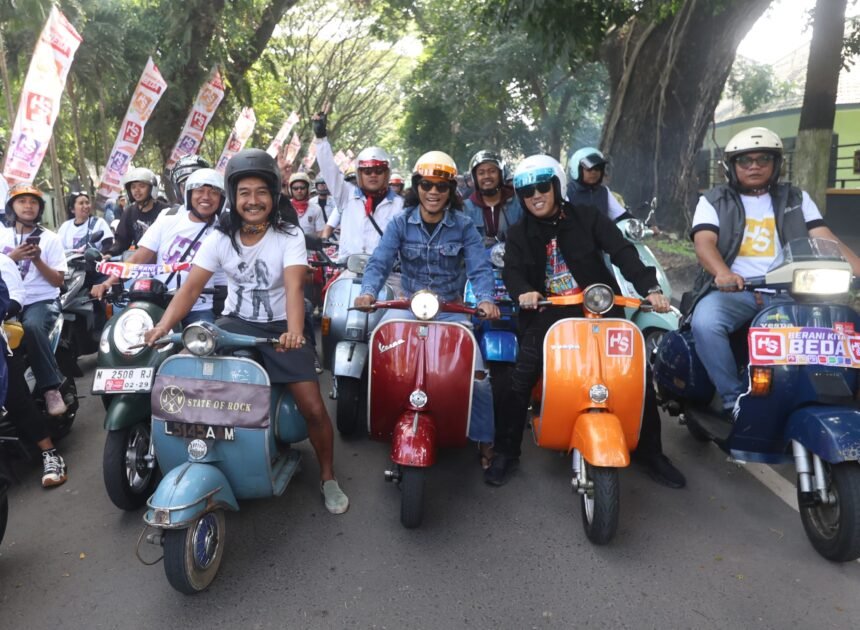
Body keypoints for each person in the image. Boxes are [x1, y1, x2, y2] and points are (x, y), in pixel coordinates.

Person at [143, 149, 349, 514]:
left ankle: (328, 476)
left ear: (273, 195)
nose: (253, 201)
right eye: (244, 193)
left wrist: (295, 332)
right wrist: (163, 326)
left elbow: (294, 288)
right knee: (189, 376)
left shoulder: (288, 235)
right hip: (234, 322)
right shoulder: (220, 237)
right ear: (233, 197)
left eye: (261, 192)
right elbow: (190, 289)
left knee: (314, 407)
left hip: (282, 326)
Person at [484, 155, 685, 488]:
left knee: (636, 373)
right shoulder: (518, 233)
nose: (536, 195)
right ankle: (506, 452)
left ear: (557, 186)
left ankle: (651, 452)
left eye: (542, 187)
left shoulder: (588, 217)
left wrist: (650, 288)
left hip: (601, 308)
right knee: (520, 378)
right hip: (549, 313)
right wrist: (524, 292)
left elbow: (623, 252)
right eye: (527, 191)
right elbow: (512, 271)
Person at [689, 126, 860, 420]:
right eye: (745, 160)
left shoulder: (796, 198)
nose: (754, 166)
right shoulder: (714, 200)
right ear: (732, 166)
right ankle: (733, 400)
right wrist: (723, 273)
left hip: (793, 292)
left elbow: (824, 237)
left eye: (763, 159)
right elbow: (704, 242)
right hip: (737, 292)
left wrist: (857, 266)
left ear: (777, 164)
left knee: (843, 326)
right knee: (705, 323)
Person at [353, 151, 501, 469]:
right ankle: (377, 422)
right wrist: (368, 293)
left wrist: (486, 299)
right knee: (377, 353)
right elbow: (379, 262)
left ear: (451, 191)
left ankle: (484, 438)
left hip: (451, 310)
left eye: (441, 186)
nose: (433, 192)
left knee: (478, 376)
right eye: (426, 184)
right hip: (408, 306)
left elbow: (479, 267)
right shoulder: (399, 222)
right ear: (416, 186)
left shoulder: (464, 226)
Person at [92, 168, 225, 326]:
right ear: (189, 194)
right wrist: (108, 283)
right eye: (200, 191)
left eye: (213, 192)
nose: (206, 197)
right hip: (158, 302)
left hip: (197, 308)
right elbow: (138, 258)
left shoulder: (224, 229)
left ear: (222, 198)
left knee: (202, 339)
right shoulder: (169, 217)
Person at [0, 184, 69, 417]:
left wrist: (38, 260)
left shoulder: (51, 239)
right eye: (22, 201)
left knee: (31, 327)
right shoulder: (2, 235)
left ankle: (51, 388)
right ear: (12, 207)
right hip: (7, 300)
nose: (28, 206)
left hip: (40, 301)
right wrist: (12, 257)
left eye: (33, 202)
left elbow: (58, 281)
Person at [0, 255, 68, 486]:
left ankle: (50, 453)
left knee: (14, 396)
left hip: (5, 335)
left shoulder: (2, 262)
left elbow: (11, 299)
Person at [311, 111, 404, 261]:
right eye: (367, 171)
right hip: (348, 268)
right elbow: (329, 169)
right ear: (359, 174)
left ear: (387, 174)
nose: (373, 175)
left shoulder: (400, 206)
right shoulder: (346, 194)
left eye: (378, 171)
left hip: (386, 271)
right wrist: (321, 138)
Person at [463, 150, 523, 245]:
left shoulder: (518, 204)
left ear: (501, 174)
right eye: (481, 173)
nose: (487, 176)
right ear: (475, 177)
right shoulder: (465, 208)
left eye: (492, 171)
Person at [109, 167, 170, 255]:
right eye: (133, 187)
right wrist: (110, 253)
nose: (137, 190)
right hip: (141, 258)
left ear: (152, 188)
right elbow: (121, 241)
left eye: (142, 186)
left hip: (164, 258)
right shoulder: (129, 213)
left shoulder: (166, 211)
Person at [566, 147, 632, 222]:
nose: (594, 172)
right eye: (589, 168)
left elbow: (622, 215)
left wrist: (637, 224)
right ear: (577, 169)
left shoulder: (604, 192)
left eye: (598, 168)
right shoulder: (567, 192)